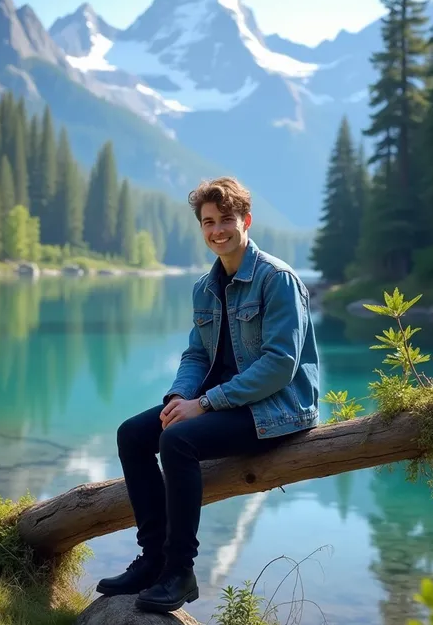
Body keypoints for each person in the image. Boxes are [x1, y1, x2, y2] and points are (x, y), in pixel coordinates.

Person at [96, 176, 320, 614]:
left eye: (226, 220)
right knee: (133, 434)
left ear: (246, 221)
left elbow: (279, 366)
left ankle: (180, 571)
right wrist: (177, 399)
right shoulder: (205, 286)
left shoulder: (277, 280)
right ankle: (154, 558)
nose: (217, 230)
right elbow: (196, 353)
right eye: (207, 222)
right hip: (224, 401)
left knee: (177, 441)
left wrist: (204, 405)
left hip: (277, 408)